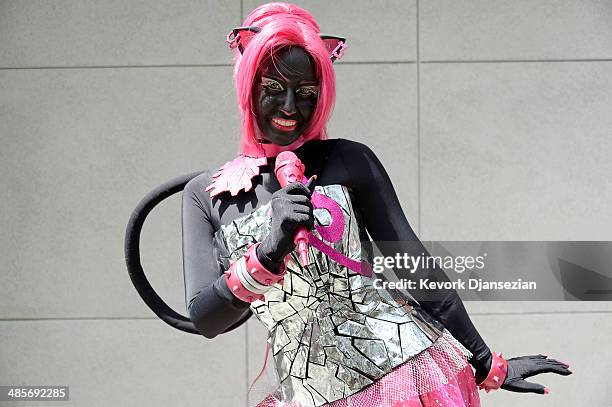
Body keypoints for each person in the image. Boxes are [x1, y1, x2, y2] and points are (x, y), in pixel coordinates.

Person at [181, 3, 571, 406]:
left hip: (406, 376)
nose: (289, 107)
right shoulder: (204, 196)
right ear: (248, 85)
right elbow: (206, 318)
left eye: (307, 93)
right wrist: (266, 253)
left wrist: (487, 362)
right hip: (307, 394)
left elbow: (417, 270)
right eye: (274, 88)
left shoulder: (349, 160)